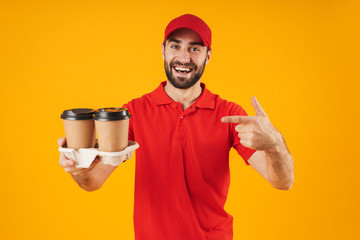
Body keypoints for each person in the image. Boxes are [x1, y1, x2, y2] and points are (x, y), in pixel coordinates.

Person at [58, 14, 294, 240]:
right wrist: (79, 171)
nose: (184, 57)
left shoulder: (230, 115)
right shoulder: (134, 112)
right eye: (175, 46)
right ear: (163, 50)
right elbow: (93, 182)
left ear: (208, 56)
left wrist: (274, 145)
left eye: (194, 48)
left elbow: (283, 182)